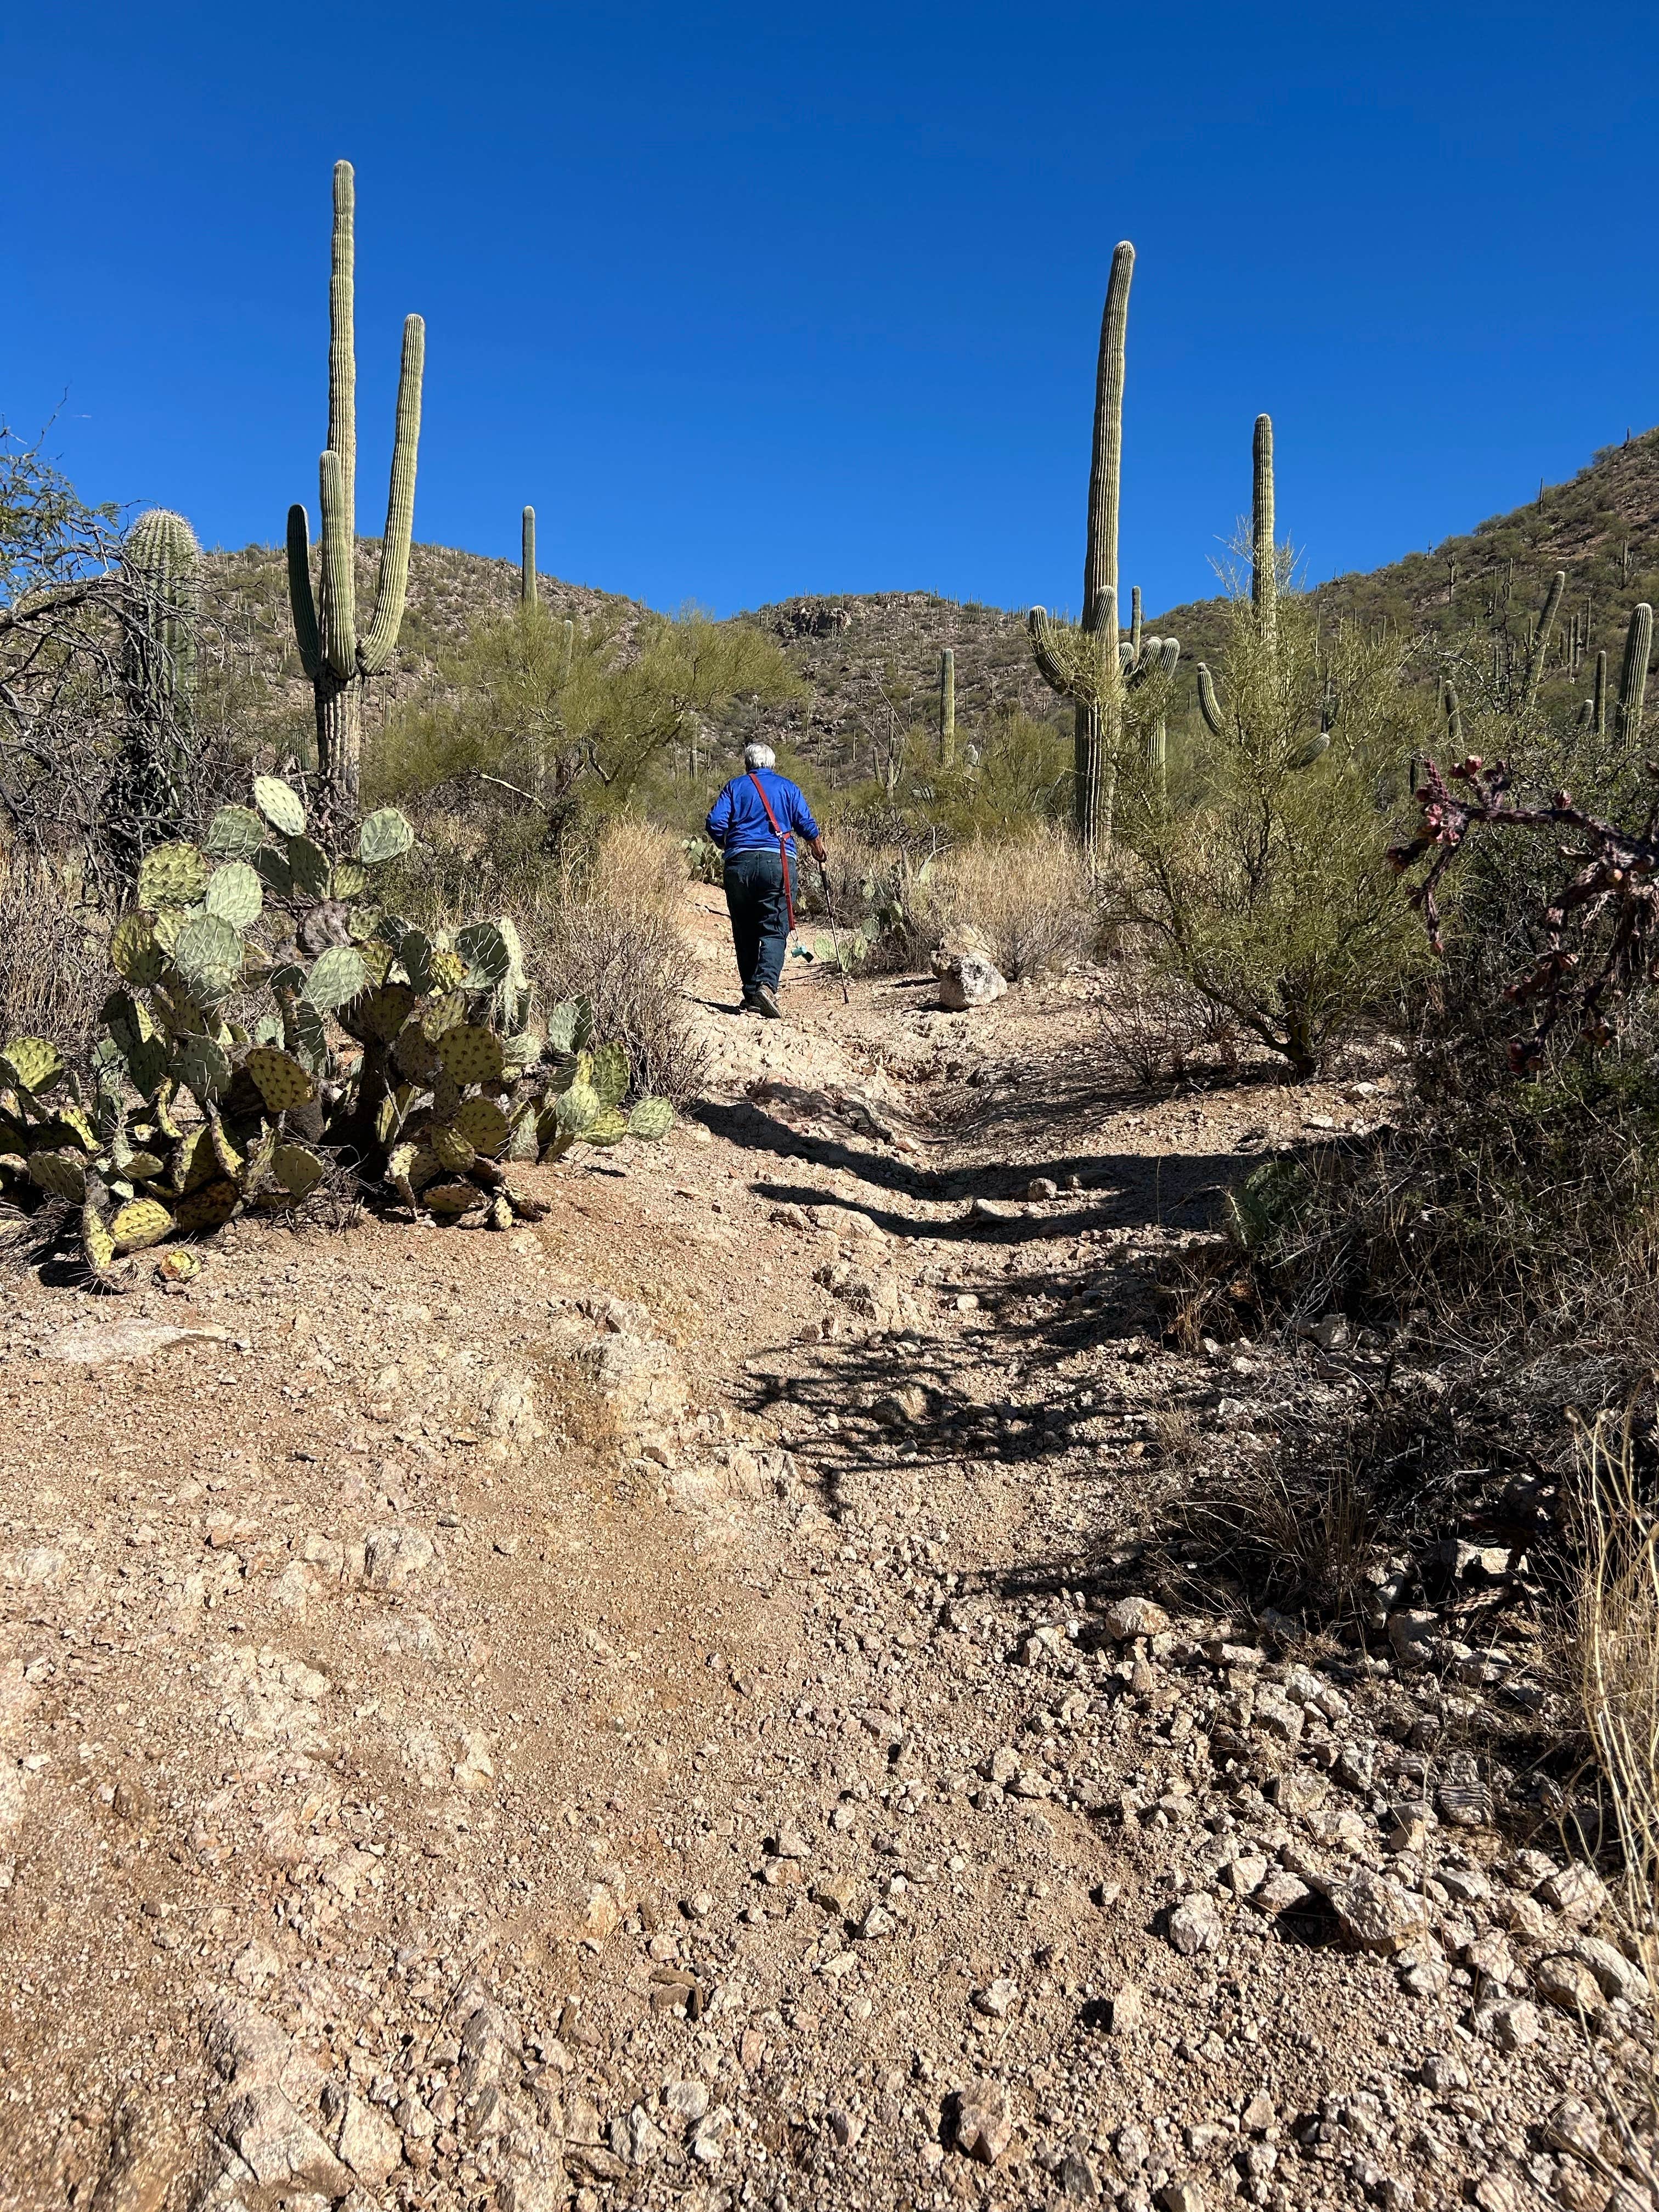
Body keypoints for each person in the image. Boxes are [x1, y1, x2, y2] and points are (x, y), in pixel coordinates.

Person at [705, 742, 826, 1018]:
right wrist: (817, 847)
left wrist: (729, 844)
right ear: (772, 765)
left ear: (748, 765)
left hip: (739, 864)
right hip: (778, 862)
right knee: (775, 926)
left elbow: (715, 823)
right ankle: (766, 987)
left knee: (745, 929)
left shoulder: (734, 787)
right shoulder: (788, 788)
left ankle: (750, 995)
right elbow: (806, 824)